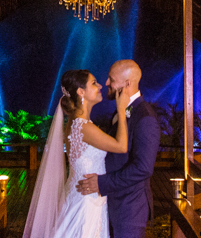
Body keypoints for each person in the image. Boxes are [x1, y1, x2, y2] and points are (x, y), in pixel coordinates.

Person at [22, 69, 129, 238]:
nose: (100, 85)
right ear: (81, 92)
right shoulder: (83, 126)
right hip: (86, 203)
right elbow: (122, 146)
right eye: (94, 83)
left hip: (82, 195)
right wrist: (121, 111)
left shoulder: (75, 122)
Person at [75, 60, 160, 238]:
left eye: (111, 79)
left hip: (129, 209)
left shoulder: (145, 116)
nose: (106, 83)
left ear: (127, 83)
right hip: (111, 204)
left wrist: (102, 183)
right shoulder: (122, 111)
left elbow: (143, 168)